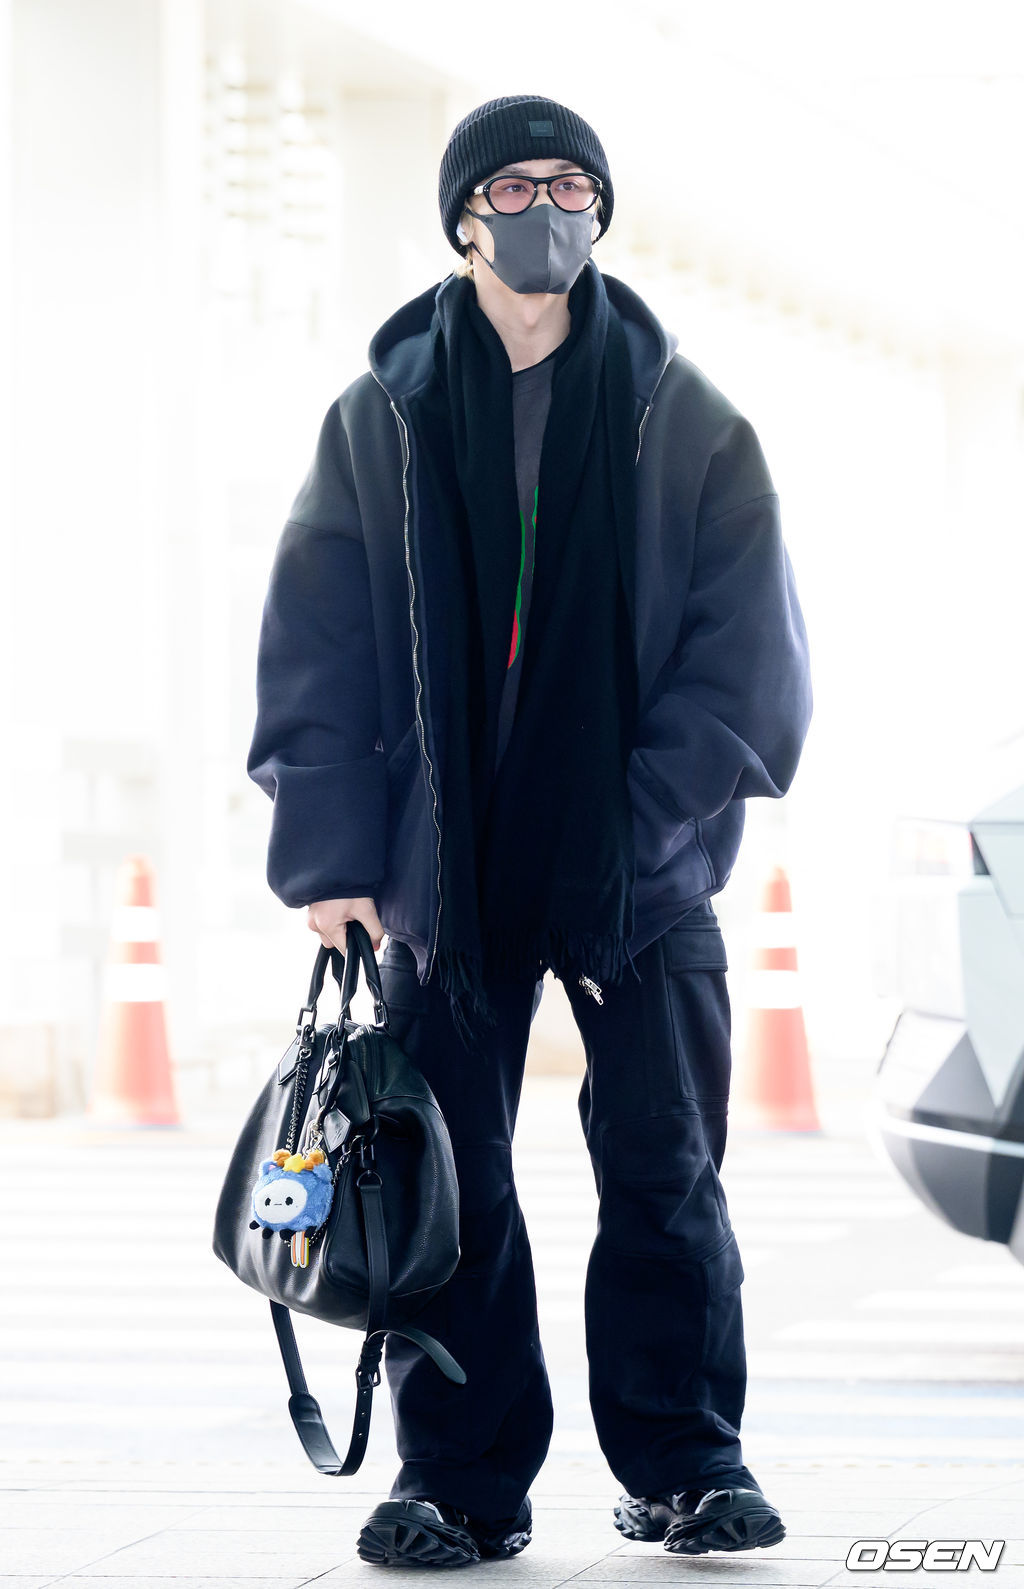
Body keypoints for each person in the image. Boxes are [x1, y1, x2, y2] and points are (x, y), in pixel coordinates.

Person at [246, 94, 813, 1568]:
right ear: (462, 220)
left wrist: (642, 819)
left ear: (600, 212)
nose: (546, 208)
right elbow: (316, 638)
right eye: (514, 186)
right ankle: (461, 1479)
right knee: (447, 1184)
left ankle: (686, 1460)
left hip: (642, 870)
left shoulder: (682, 411)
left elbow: (750, 658)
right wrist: (331, 853)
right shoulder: (381, 415)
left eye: (572, 185)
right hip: (445, 871)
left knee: (666, 1172)